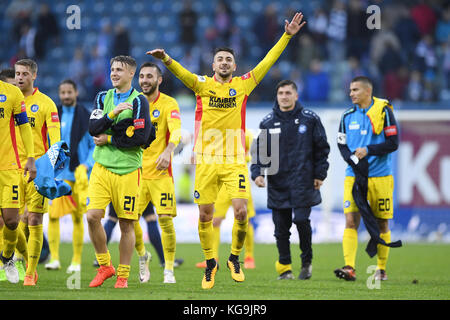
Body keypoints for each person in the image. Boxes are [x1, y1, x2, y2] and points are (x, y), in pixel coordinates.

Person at [147, 12, 306, 289]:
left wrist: (287, 36)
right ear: (213, 64)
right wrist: (166, 59)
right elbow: (182, 73)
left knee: (242, 212)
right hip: (206, 159)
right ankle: (211, 264)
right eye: (220, 59)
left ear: (234, 65)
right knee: (206, 215)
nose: (224, 62)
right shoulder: (202, 85)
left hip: (234, 160)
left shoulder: (243, 84)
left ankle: (235, 258)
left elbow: (268, 60)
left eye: (228, 59)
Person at [251, 80, 330, 280]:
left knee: (302, 221)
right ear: (277, 96)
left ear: (296, 95)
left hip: (303, 181)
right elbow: (260, 152)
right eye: (280, 93)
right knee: (280, 229)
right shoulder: (267, 122)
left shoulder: (310, 119)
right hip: (278, 183)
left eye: (288, 93)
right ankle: (285, 268)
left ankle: (306, 263)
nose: (284, 96)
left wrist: (320, 174)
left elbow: (322, 149)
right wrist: (257, 173)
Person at [87, 55, 152, 289]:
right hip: (101, 168)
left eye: (119, 70)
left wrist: (111, 138)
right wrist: (113, 114)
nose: (114, 73)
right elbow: (93, 129)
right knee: (92, 216)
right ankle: (105, 266)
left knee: (126, 224)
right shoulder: (102, 97)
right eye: (112, 69)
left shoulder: (139, 102)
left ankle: (123, 276)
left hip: (127, 171)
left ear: (131, 74)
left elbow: (142, 139)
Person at [334, 76, 399, 281]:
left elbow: (393, 143)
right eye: (350, 90)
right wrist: (353, 161)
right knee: (351, 221)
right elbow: (342, 145)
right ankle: (349, 267)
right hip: (353, 177)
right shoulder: (347, 116)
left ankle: (381, 269)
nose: (351, 93)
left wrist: (368, 150)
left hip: (380, 177)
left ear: (367, 91)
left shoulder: (384, 112)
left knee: (382, 224)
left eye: (355, 90)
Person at [14, 59, 61, 286]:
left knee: (33, 218)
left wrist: (50, 171)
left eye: (24, 73)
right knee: (12, 220)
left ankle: (31, 272)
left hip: (37, 169)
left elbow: (56, 141)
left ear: (34, 76)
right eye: (17, 73)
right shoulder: (9, 102)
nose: (20, 77)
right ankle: (16, 259)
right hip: (11, 168)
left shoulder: (46, 104)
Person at [134, 61, 182, 284]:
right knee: (130, 221)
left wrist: (168, 151)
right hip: (135, 173)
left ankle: (169, 269)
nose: (144, 80)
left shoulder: (169, 103)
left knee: (164, 220)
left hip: (161, 173)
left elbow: (176, 132)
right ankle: (143, 256)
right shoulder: (134, 102)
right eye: (142, 76)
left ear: (159, 80)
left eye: (149, 76)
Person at [45, 79, 95, 273]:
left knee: (77, 218)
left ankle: (76, 261)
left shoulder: (87, 116)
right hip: (59, 176)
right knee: (54, 217)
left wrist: (86, 165)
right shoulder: (53, 115)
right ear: (59, 94)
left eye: (69, 92)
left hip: (79, 176)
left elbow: (93, 146)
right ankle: (55, 258)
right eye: (62, 92)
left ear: (76, 93)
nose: (66, 96)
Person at [195, 131, 257, 270]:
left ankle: (249, 256)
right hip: (221, 185)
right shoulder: (216, 133)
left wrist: (237, 159)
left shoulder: (246, 134)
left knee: (245, 218)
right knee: (215, 220)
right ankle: (213, 258)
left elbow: (255, 154)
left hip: (238, 180)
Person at [0, 73, 36, 285]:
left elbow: (24, 126)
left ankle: (7, 257)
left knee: (13, 221)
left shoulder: (11, 93)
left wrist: (30, 158)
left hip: (9, 167)